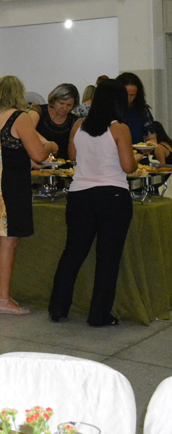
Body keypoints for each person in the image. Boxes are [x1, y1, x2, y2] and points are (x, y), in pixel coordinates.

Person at [49, 80, 136, 326]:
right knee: (108, 258)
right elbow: (128, 167)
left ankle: (58, 307)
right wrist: (135, 158)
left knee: (73, 252)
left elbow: (73, 156)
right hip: (113, 196)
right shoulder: (119, 129)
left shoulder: (78, 126)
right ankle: (99, 314)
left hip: (80, 194)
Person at [0, 76, 57, 315]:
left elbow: (7, 152)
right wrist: (51, 146)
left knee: (7, 239)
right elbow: (38, 154)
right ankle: (2, 297)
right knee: (9, 241)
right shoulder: (19, 117)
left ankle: (2, 295)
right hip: (11, 185)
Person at [30, 84, 79, 156]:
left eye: (69, 105)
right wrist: (47, 144)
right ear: (54, 100)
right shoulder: (37, 111)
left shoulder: (75, 121)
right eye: (61, 103)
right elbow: (28, 130)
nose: (64, 108)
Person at [117, 71, 157, 144]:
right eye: (125, 94)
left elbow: (151, 137)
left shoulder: (143, 111)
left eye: (132, 95)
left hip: (138, 150)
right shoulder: (111, 110)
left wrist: (150, 145)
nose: (128, 98)